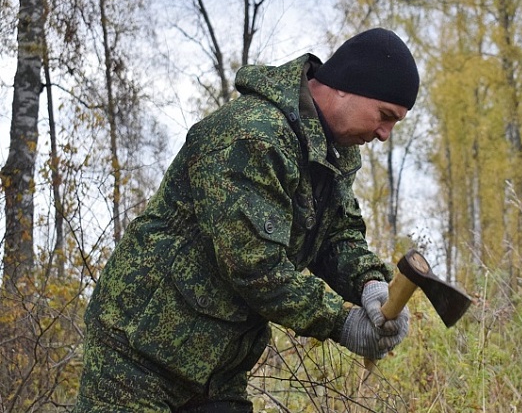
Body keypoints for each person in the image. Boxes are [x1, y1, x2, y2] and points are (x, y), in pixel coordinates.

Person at [74, 28, 418, 412]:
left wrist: (370, 285)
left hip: (217, 367)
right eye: (385, 116)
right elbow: (256, 269)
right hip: (138, 356)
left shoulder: (328, 152)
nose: (386, 134)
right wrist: (342, 322)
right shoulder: (251, 136)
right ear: (345, 86)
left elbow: (337, 234)